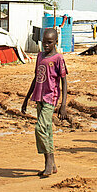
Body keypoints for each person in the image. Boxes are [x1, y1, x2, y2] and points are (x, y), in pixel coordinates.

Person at [21, 28, 68, 177]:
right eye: (44, 42)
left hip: (50, 98)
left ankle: (49, 160)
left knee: (40, 128)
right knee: (47, 131)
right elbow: (36, 78)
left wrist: (63, 105)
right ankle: (51, 164)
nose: (46, 45)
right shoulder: (40, 56)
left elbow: (64, 82)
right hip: (39, 97)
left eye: (49, 43)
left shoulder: (58, 59)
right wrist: (26, 98)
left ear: (55, 42)